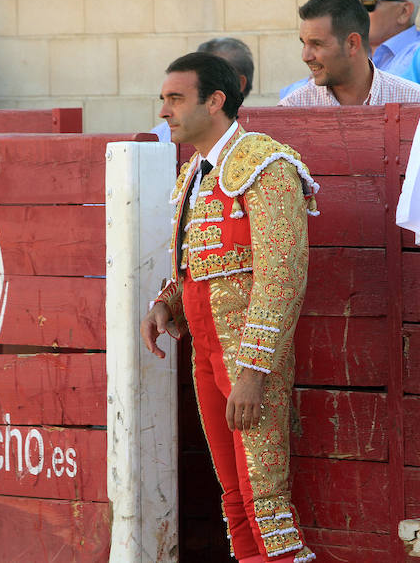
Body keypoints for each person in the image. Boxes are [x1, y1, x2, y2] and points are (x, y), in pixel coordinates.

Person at [141, 52, 318, 563]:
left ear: (215, 101)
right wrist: (165, 306)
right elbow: (202, 266)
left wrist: (253, 372)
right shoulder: (195, 173)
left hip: (247, 357)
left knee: (265, 499)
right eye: (163, 99)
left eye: (175, 99)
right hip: (206, 351)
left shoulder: (266, 163)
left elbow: (282, 274)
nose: (164, 111)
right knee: (235, 497)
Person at [279, 0, 420, 107]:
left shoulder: (419, 102)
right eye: (304, 43)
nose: (305, 56)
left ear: (352, 43)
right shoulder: (291, 108)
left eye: (317, 44)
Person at [152, 37, 254, 142]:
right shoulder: (160, 136)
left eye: (176, 99)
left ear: (215, 101)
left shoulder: (262, 150)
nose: (162, 113)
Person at [356, 0, 420, 76]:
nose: (356, 11)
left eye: (368, 2)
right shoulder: (354, 49)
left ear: (404, 12)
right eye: (355, 1)